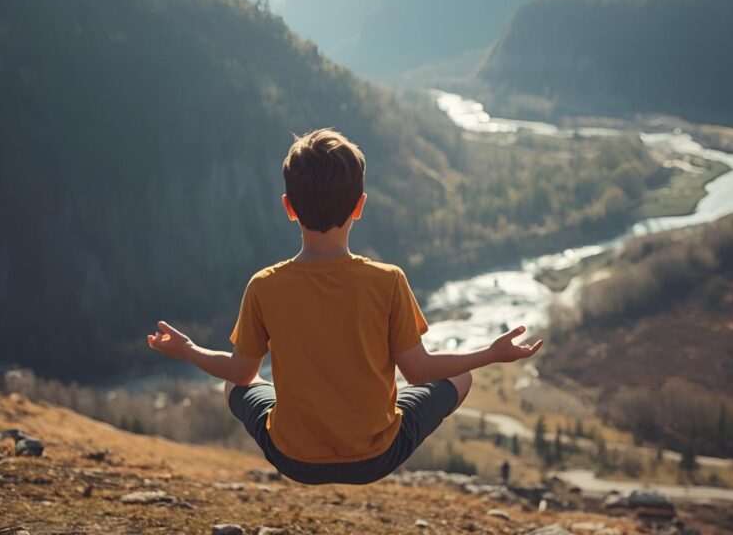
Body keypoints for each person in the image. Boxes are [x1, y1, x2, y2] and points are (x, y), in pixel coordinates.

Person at [147, 129, 543, 485]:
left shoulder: (264, 286)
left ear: (288, 207)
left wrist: (187, 350)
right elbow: (419, 371)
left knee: (237, 383)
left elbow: (239, 372)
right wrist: (490, 354)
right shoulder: (388, 280)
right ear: (359, 206)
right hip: (375, 458)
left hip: (294, 458)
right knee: (463, 378)